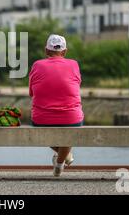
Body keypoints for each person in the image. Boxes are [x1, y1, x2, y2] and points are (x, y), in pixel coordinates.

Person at [29, 34, 84, 177]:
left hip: (41, 119)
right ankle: (60, 163)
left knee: (46, 131)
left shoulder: (37, 65)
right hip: (72, 118)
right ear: (65, 52)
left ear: (46, 51)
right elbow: (76, 86)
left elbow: (31, 93)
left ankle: (62, 159)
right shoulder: (74, 64)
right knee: (69, 132)